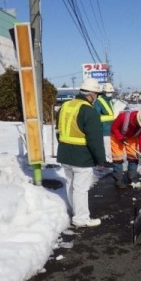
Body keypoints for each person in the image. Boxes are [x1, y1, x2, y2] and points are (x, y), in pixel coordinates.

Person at [56, 78, 106, 228]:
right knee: (81, 189)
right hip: (81, 157)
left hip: (65, 153)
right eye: (96, 94)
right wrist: (100, 160)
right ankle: (81, 219)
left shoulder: (65, 106)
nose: (96, 97)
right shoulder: (89, 111)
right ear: (90, 94)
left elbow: (59, 131)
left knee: (71, 185)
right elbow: (95, 140)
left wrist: (64, 145)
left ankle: (76, 212)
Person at [110, 109, 141, 188]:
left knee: (133, 157)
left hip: (131, 137)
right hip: (117, 136)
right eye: (139, 124)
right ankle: (118, 180)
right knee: (117, 157)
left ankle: (132, 178)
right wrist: (121, 138)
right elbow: (113, 128)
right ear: (137, 119)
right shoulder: (123, 117)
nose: (140, 126)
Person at [93, 83, 116, 165]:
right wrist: (111, 117)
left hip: (112, 128)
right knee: (106, 146)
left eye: (111, 92)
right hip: (104, 129)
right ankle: (106, 161)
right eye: (108, 92)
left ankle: (110, 159)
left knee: (110, 146)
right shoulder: (99, 102)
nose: (110, 94)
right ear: (104, 92)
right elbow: (96, 117)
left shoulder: (110, 101)